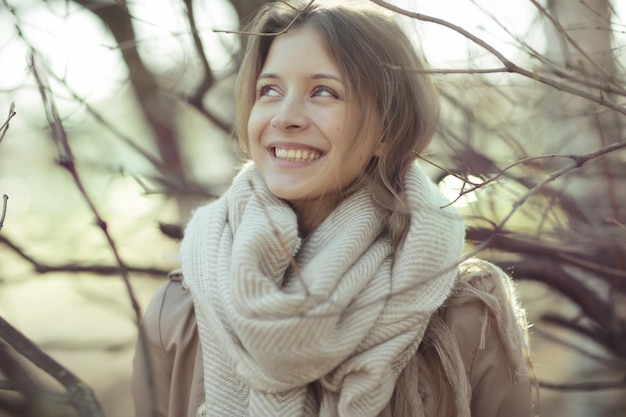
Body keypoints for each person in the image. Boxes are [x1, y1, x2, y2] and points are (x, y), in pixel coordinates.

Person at [132, 1, 534, 416]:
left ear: (388, 128)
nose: (285, 117)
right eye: (269, 90)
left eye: (324, 91)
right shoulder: (177, 311)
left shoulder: (469, 312)